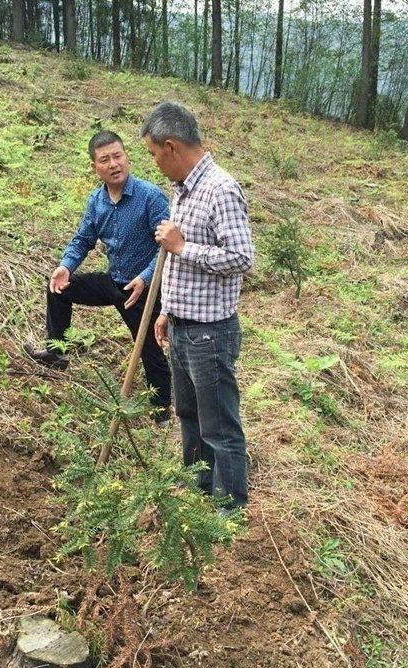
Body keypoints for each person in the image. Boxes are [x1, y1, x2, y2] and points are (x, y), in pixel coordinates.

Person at [141, 102, 253, 508]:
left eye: (154, 154)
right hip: (184, 327)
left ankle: (229, 509)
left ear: (171, 147)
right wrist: (167, 311)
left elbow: (241, 258)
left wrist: (183, 247)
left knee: (218, 425)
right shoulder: (183, 190)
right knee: (189, 417)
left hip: (210, 333)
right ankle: (199, 495)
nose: (154, 164)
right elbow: (177, 263)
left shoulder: (220, 189)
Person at [24, 130, 172, 424]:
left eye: (118, 156)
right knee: (59, 289)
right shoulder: (97, 201)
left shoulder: (150, 197)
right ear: (95, 167)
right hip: (113, 282)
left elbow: (168, 248)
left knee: (149, 349)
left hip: (144, 289)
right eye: (105, 160)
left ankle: (162, 411)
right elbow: (83, 239)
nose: (114, 164)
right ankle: (57, 352)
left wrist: (144, 278)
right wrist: (66, 266)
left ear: (127, 157)